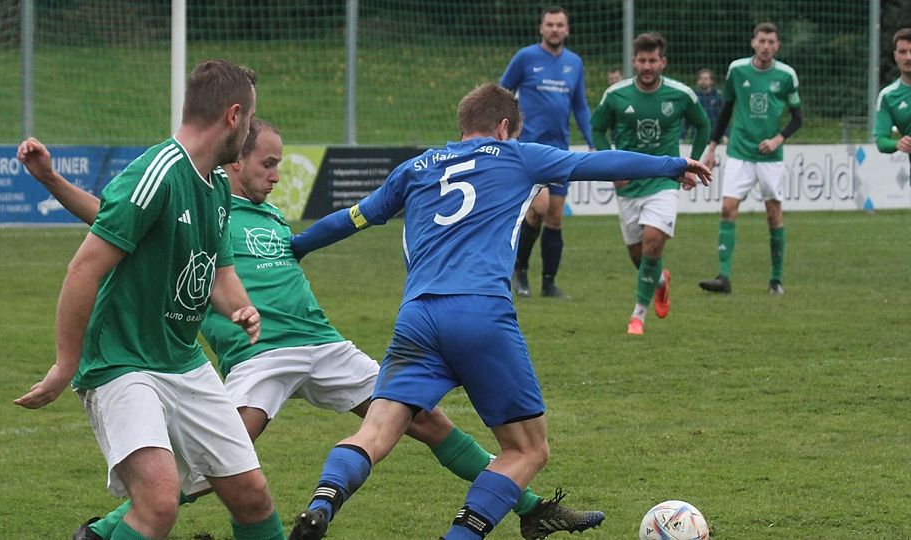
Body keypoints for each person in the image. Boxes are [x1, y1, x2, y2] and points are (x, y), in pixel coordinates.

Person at [18, 121, 604, 540]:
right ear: (234, 159)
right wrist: (51, 181)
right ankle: (111, 528)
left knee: (425, 419)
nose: (277, 175)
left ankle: (528, 505)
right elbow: (110, 216)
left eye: (278, 164)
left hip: (325, 345)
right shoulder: (200, 203)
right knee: (224, 459)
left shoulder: (269, 215)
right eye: (267, 163)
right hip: (259, 355)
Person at [285, 83, 712, 540]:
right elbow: (593, 163)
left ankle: (322, 502)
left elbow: (350, 217)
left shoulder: (415, 168)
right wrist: (674, 164)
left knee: (375, 433)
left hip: (417, 316)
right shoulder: (516, 156)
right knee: (527, 450)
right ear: (505, 127)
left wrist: (294, 246)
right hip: (480, 312)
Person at [13, 60, 287, 540]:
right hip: (123, 361)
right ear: (234, 115)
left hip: (182, 360)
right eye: (250, 120)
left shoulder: (218, 186)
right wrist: (63, 365)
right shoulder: (158, 172)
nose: (248, 131)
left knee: (252, 494)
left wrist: (240, 306)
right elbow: (84, 268)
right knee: (159, 501)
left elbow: (220, 272)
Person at [591, 33, 710, 335]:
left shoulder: (680, 94)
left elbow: (703, 124)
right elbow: (597, 128)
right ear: (634, 61)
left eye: (652, 60)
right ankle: (658, 281)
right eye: (642, 60)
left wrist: (691, 164)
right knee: (638, 254)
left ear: (662, 62)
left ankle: (637, 316)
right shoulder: (616, 95)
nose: (647, 66)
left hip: (664, 180)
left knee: (653, 242)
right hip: (629, 184)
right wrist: (611, 165)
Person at [699, 22, 803, 296]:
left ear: (777, 45)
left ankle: (776, 280)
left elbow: (798, 118)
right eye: (762, 41)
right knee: (727, 209)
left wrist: (777, 139)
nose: (766, 46)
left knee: (773, 214)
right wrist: (712, 147)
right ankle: (723, 277)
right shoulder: (737, 70)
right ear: (753, 42)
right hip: (739, 152)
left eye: (771, 42)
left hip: (771, 157)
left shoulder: (786, 75)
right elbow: (726, 109)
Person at [500, 5, 596, 299]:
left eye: (560, 25)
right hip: (529, 150)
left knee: (555, 217)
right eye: (550, 24)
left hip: (560, 151)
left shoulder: (574, 63)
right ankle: (519, 269)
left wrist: (592, 142)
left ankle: (549, 283)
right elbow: (502, 93)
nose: (555, 29)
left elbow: (579, 105)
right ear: (541, 28)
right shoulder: (526, 57)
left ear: (567, 30)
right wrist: (502, 132)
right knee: (538, 209)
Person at [874, 28, 911, 161]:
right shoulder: (887, 96)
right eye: (903, 52)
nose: (908, 57)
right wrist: (898, 143)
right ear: (895, 56)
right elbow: (881, 140)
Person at [683, 68, 726, 144]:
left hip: (715, 139)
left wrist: (725, 134)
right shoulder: (693, 96)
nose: (703, 81)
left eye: (706, 79)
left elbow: (724, 117)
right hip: (696, 138)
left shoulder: (718, 96)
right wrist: (682, 136)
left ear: (711, 81)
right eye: (700, 78)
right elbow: (686, 119)